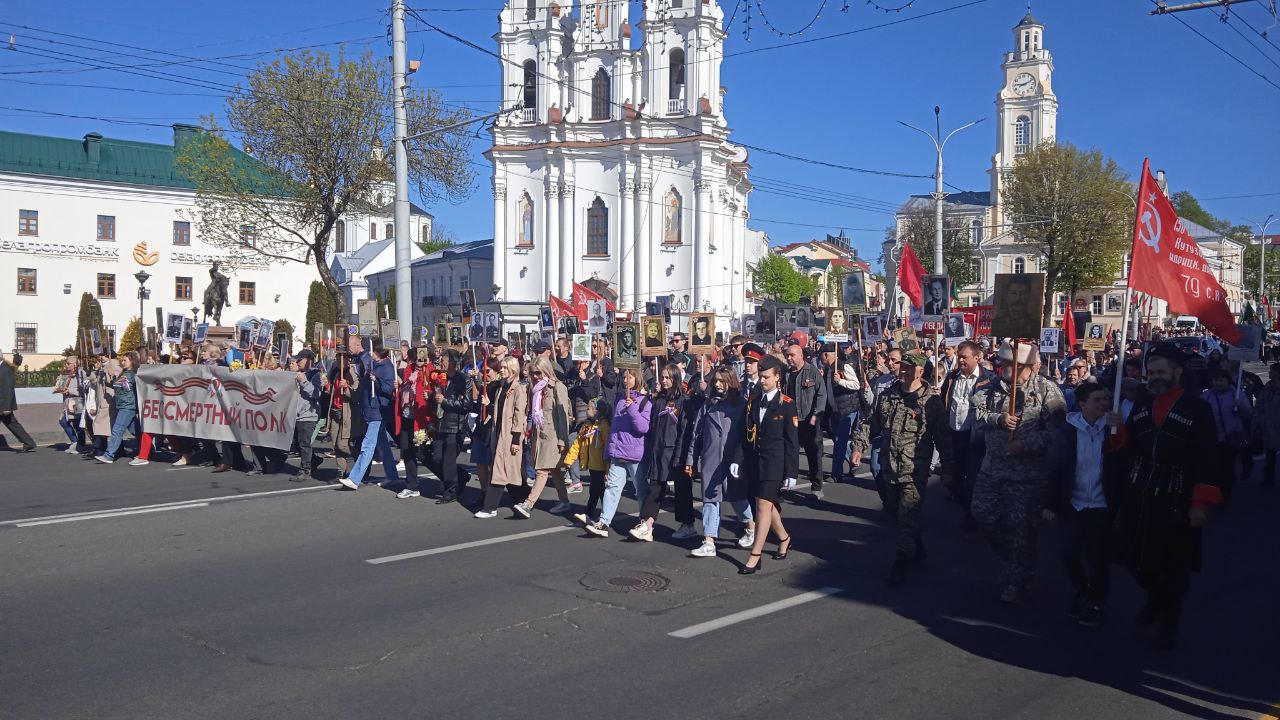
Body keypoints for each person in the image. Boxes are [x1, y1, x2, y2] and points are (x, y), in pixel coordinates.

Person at [1111, 346, 1221, 650]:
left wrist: (1199, 503)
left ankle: (1169, 621)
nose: (1155, 377)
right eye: (1151, 373)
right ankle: (1157, 599)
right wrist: (1115, 431)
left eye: (1161, 372)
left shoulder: (1197, 408)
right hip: (1140, 493)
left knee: (1175, 565)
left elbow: (1209, 458)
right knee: (1133, 556)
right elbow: (1129, 445)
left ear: (1176, 372)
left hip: (1178, 496)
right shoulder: (1144, 404)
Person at [970, 340, 1066, 604]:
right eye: (1003, 362)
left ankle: (1020, 578)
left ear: (1027, 366)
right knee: (983, 515)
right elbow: (975, 414)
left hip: (1028, 476)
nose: (1004, 367)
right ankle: (1011, 562)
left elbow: (1058, 434)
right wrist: (997, 419)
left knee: (1021, 528)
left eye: (1011, 364)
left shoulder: (1048, 391)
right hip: (992, 469)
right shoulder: (989, 388)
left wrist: (1026, 444)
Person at [858, 351, 942, 585]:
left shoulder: (931, 402)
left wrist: (951, 469)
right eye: (901, 367)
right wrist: (858, 446)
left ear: (920, 371)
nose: (902, 371)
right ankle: (918, 547)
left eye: (908, 367)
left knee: (907, 513)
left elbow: (943, 437)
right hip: (889, 466)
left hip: (915, 468)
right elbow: (871, 423)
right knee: (899, 512)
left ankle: (901, 560)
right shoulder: (888, 396)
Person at [1045, 382, 1120, 628]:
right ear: (1083, 403)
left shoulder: (1113, 429)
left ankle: (1098, 602)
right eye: (1098, 399)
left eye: (1106, 399)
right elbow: (1055, 468)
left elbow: (1123, 463)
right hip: (1073, 504)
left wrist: (1119, 434)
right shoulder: (1066, 430)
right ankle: (1083, 591)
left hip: (1100, 505)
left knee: (1098, 558)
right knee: (1068, 553)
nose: (1104, 404)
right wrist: (1049, 503)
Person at [684, 366, 753, 557]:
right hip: (711, 458)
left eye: (722, 381)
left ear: (731, 382)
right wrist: (691, 459)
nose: (717, 384)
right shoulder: (708, 405)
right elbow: (696, 434)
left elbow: (746, 436)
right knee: (710, 499)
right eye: (716, 381)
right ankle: (709, 540)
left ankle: (750, 526)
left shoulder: (742, 404)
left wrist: (744, 460)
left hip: (733, 459)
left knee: (737, 498)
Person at [740, 355, 799, 574]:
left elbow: (792, 441)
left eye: (766, 377)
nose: (762, 380)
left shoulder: (787, 405)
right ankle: (784, 538)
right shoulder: (754, 401)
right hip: (756, 461)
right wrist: (739, 460)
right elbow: (745, 432)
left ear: (777, 378)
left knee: (762, 505)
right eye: (761, 376)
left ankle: (755, 554)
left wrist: (792, 471)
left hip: (775, 462)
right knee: (768, 504)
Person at [582, 369, 650, 537]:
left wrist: (632, 408)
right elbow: (615, 428)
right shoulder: (620, 400)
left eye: (630, 377)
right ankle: (604, 522)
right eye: (625, 377)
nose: (626, 380)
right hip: (618, 452)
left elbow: (642, 428)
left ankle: (644, 522)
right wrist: (610, 451)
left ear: (638, 378)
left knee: (640, 489)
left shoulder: (644, 402)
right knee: (612, 488)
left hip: (635, 454)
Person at [937, 340, 994, 540]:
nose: (960, 360)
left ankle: (972, 518)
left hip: (975, 439)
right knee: (951, 480)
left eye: (964, 357)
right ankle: (971, 510)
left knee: (972, 481)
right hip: (954, 435)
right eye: (959, 356)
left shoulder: (988, 380)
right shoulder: (953, 378)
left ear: (977, 358)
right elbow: (944, 400)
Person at [630, 365, 694, 541]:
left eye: (668, 377)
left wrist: (681, 454)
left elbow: (684, 430)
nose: (664, 380)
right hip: (658, 451)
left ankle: (687, 524)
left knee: (682, 490)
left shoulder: (684, 401)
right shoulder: (658, 401)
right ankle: (648, 524)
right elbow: (652, 428)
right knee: (656, 488)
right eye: (663, 377)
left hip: (675, 451)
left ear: (675, 379)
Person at [337, 336, 399, 490]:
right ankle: (392, 476)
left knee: (368, 445)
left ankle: (355, 478)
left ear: (377, 351)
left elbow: (389, 388)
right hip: (371, 408)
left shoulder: (386, 367)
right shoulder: (374, 365)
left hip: (378, 409)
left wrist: (375, 380)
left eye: (372, 350)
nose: (370, 353)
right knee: (383, 446)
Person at [515, 355, 572, 517]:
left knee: (542, 470)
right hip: (539, 434)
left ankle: (528, 504)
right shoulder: (535, 388)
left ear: (546, 370)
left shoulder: (557, 387)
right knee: (554, 471)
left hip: (553, 436)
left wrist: (562, 439)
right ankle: (564, 501)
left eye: (538, 373)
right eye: (533, 373)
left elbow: (563, 415)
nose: (535, 376)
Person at [475, 357, 529, 518]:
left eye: (505, 367)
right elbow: (499, 411)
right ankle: (526, 499)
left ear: (513, 369)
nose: (502, 370)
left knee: (499, 471)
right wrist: (489, 404)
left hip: (509, 435)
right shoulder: (502, 387)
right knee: (509, 472)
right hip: (498, 433)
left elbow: (519, 416)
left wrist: (516, 439)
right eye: (502, 367)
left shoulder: (519, 389)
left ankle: (490, 507)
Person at [429, 349, 475, 505]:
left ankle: (451, 491)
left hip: (455, 425)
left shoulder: (464, 380)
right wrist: (431, 398)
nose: (441, 362)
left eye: (444, 359)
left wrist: (445, 401)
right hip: (440, 423)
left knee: (448, 461)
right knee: (437, 458)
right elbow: (437, 397)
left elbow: (466, 405)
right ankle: (461, 477)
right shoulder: (441, 377)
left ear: (452, 363)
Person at [1200, 368, 1251, 503]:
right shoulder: (1206, 396)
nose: (1218, 383)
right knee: (1213, 467)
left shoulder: (1237, 394)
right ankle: (1213, 491)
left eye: (1221, 379)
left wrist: (1239, 407)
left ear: (1228, 380)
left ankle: (1224, 495)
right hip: (1212, 438)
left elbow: (1248, 415)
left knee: (1227, 468)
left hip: (1231, 438)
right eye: (1215, 380)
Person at [822, 342, 868, 486]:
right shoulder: (828, 368)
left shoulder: (843, 365)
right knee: (837, 439)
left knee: (839, 440)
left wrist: (840, 381)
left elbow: (855, 385)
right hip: (835, 409)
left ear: (826, 355)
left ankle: (837, 473)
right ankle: (854, 462)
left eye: (821, 355)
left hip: (848, 409)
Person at [784, 343, 826, 497]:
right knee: (788, 452)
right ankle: (786, 481)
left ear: (801, 355)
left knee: (813, 454)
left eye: (792, 355)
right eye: (787, 355)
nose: (789, 358)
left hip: (809, 420)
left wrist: (816, 414)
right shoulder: (785, 373)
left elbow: (821, 394)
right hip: (791, 420)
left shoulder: (812, 372)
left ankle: (816, 486)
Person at [391, 348, 430, 496]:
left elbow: (429, 388)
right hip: (407, 416)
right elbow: (406, 388)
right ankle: (411, 485)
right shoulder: (409, 370)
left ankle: (450, 480)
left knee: (425, 454)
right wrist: (399, 387)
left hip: (420, 418)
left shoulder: (428, 370)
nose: (411, 362)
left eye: (411, 359)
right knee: (407, 451)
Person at [566, 398, 612, 524]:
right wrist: (569, 460)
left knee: (596, 492)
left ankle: (592, 515)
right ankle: (603, 515)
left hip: (601, 466)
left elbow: (608, 448)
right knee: (598, 492)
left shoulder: (604, 427)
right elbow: (577, 443)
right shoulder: (587, 426)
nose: (586, 410)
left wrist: (608, 469)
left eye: (589, 408)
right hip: (593, 465)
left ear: (597, 411)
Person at [0, 348, 36, 452]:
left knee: (12, 423)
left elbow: (8, 388)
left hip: (3, 404)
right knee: (12, 424)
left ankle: (29, 443)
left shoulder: (5, 368)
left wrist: (7, 407)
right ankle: (29, 443)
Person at [54, 355, 86, 454]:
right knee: (63, 421)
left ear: (75, 364)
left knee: (78, 425)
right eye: (66, 363)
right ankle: (74, 442)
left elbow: (83, 389)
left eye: (68, 363)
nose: (66, 365)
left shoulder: (81, 374)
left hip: (77, 402)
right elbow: (61, 386)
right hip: (67, 403)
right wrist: (59, 387)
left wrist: (70, 390)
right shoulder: (65, 374)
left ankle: (80, 445)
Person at [1259, 362, 1280, 489]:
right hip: (1270, 426)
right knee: (1270, 455)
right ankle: (1268, 479)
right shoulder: (1268, 386)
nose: (1269, 372)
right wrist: (1259, 416)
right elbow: (1261, 401)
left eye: (1272, 370)